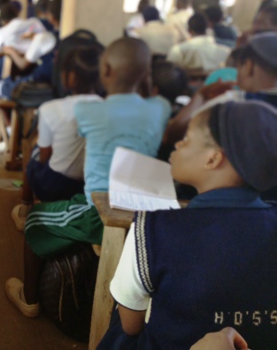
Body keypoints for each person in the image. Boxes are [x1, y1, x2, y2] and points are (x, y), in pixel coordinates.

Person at [6, 37, 171, 318]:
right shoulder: (160, 108)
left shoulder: (89, 111)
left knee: (35, 220)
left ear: (105, 71)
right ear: (146, 75)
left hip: (101, 211)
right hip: (148, 211)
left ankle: (29, 299)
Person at [99, 101, 277, 349]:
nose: (178, 145)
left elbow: (131, 325)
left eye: (187, 139)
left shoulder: (152, 228)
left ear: (213, 159)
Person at [11, 46, 103, 232]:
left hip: (55, 185)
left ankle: (25, 208)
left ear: (71, 76)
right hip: (91, 186)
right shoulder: (109, 108)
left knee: (34, 152)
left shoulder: (51, 108)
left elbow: (44, 156)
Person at [166, 13, 231, 71]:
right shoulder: (226, 52)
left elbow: (170, 72)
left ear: (189, 31)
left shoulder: (178, 50)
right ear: (207, 29)